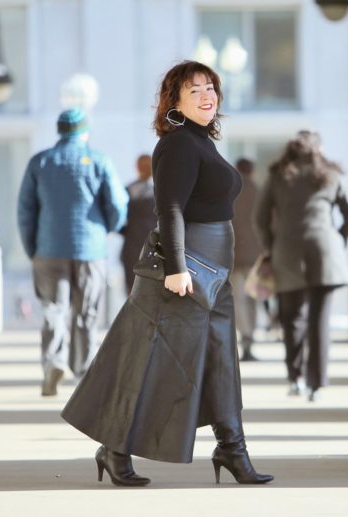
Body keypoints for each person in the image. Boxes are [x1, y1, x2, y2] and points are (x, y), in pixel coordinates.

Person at [61, 61, 273, 488]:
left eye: (210, 87)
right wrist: (177, 268)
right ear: (173, 101)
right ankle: (115, 449)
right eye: (194, 90)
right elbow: (169, 209)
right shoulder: (177, 145)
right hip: (188, 271)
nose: (206, 95)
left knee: (220, 362)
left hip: (215, 274)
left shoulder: (200, 142)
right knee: (155, 363)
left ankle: (232, 449)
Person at [17, 108, 128, 397]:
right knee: (86, 313)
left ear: (60, 131)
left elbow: (25, 211)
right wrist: (107, 228)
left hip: (48, 248)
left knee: (54, 309)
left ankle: (54, 363)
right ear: (84, 131)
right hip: (90, 249)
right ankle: (85, 373)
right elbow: (117, 204)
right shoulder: (99, 161)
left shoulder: (40, 162)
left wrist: (33, 248)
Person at [254, 131, 348, 402]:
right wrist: (339, 240)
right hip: (325, 252)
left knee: (292, 320)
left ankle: (295, 378)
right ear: (318, 149)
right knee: (319, 321)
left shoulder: (278, 176)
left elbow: (260, 217)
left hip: (286, 252)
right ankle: (317, 383)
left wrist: (270, 245)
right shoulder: (330, 174)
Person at [231, 157, 262, 361]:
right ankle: (250, 339)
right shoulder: (260, 192)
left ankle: (245, 338)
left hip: (233, 253)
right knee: (253, 298)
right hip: (256, 255)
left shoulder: (230, 191)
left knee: (238, 299)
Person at [120, 154, 156, 293]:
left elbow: (117, 217)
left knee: (132, 294)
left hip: (132, 248)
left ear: (137, 168)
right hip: (155, 249)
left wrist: (124, 231)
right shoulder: (161, 191)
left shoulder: (127, 191)